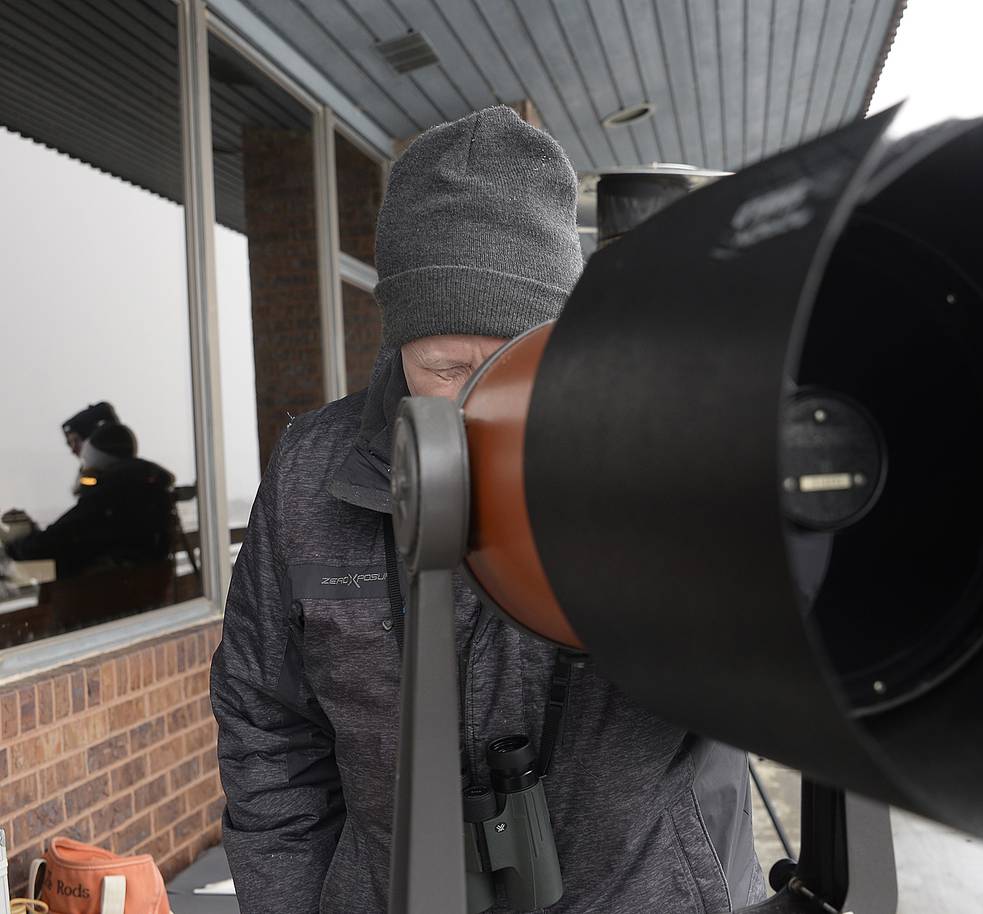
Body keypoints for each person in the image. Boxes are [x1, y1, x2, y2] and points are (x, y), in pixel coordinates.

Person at [211, 107, 765, 914]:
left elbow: (752, 670)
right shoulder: (310, 474)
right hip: (391, 890)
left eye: (509, 362)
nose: (473, 400)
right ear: (397, 342)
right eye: (444, 366)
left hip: (644, 889)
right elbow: (267, 719)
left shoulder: (650, 454)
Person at [3, 423, 175, 578]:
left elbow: (49, 546)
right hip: (142, 597)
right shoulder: (153, 493)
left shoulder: (106, 500)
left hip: (99, 603)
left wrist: (17, 542)